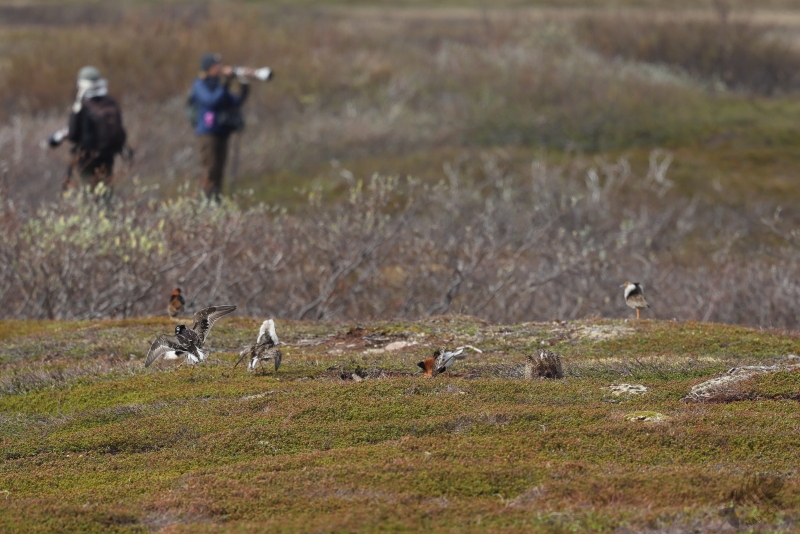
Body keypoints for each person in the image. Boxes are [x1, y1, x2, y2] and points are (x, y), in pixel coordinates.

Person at [54, 66, 127, 197]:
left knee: (87, 193)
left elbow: (73, 135)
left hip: (86, 158)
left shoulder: (81, 104)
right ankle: (107, 210)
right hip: (108, 155)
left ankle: (90, 210)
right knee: (106, 193)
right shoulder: (110, 101)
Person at [188, 53, 250, 202]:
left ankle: (216, 200)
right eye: (216, 65)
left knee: (219, 170)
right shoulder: (200, 84)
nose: (220, 68)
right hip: (207, 132)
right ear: (208, 68)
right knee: (209, 168)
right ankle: (204, 200)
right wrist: (225, 83)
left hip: (222, 131)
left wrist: (244, 85)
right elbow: (211, 100)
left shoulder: (218, 85)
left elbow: (235, 102)